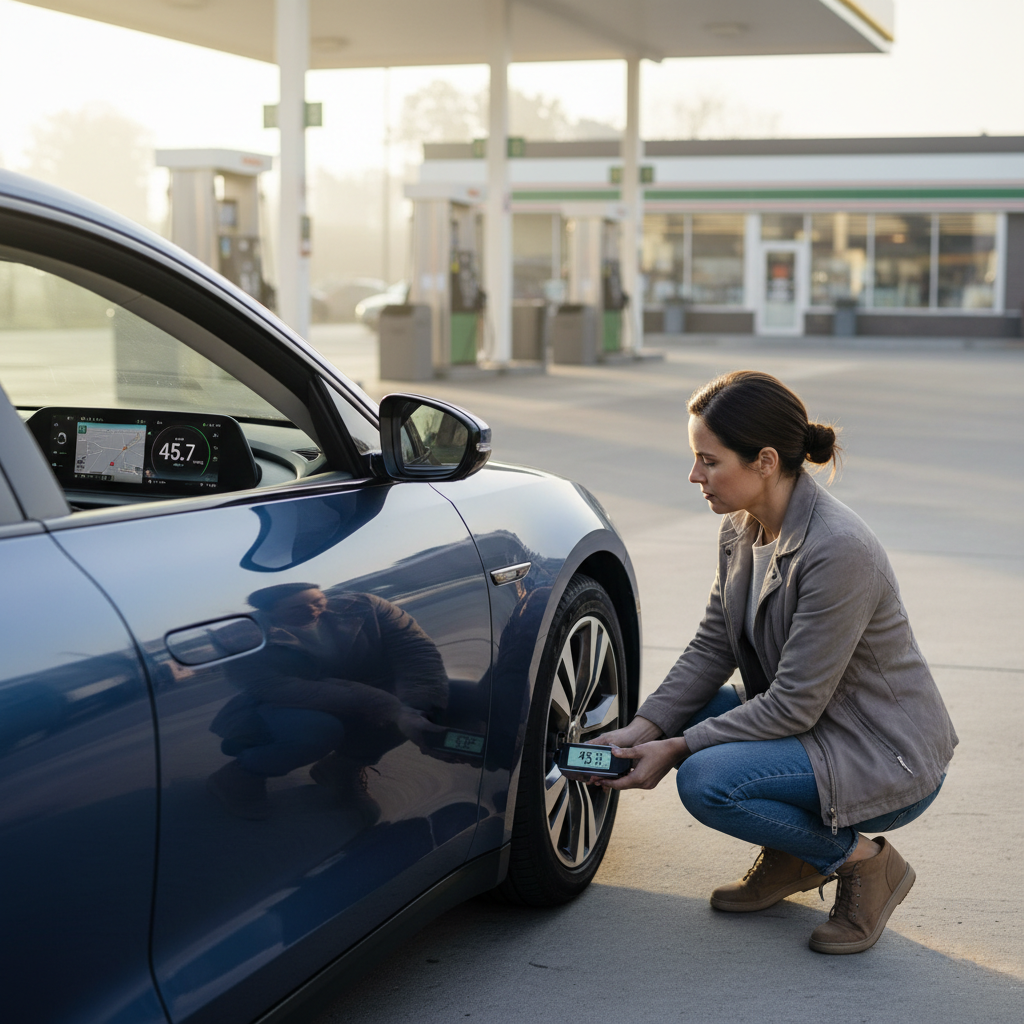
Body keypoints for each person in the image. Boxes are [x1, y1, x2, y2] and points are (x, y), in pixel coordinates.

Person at [593, 370, 957, 955]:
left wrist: (676, 749)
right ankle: (794, 858)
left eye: (708, 461)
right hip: (814, 726)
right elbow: (713, 646)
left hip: (880, 752)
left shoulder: (838, 549)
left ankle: (864, 862)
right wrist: (641, 730)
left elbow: (793, 703)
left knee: (706, 780)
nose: (694, 476)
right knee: (688, 716)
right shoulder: (742, 527)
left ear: (764, 460)